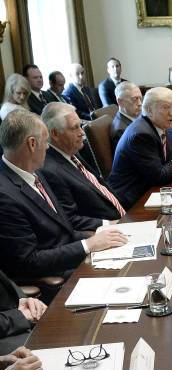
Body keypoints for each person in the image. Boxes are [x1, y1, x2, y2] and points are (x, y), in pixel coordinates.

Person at [0, 110, 127, 279]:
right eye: (45, 141)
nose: (47, 147)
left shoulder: (36, 172)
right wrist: (87, 245)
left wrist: (100, 236)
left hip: (74, 258)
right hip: (56, 278)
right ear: (32, 143)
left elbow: (63, 230)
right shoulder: (5, 196)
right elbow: (28, 262)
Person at [40, 102, 125, 228]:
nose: (82, 133)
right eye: (74, 128)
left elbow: (100, 187)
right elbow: (70, 219)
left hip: (122, 216)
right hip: (106, 231)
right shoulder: (50, 170)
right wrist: (109, 224)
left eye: (80, 126)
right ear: (55, 134)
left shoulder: (71, 151)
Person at [109, 87, 172, 210]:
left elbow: (168, 162)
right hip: (132, 200)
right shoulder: (141, 134)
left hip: (150, 191)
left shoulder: (161, 125)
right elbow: (158, 176)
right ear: (150, 111)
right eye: (165, 107)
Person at [0, 270, 46, 354]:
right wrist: (18, 316)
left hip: (16, 319)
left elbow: (5, 280)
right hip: (5, 334)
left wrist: (22, 299)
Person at [111, 82, 143, 153]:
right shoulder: (121, 131)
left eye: (140, 98)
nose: (140, 103)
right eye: (135, 99)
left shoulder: (134, 117)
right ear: (120, 102)